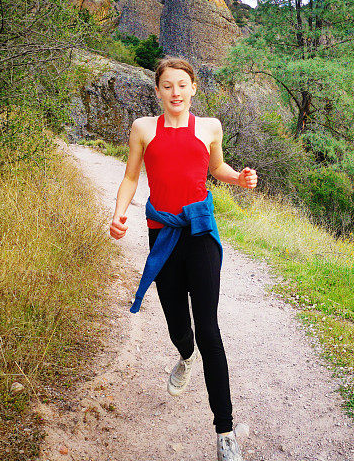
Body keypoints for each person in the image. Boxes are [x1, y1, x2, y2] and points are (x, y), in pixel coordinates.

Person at [109, 56, 257, 461]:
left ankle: (225, 433)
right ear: (157, 91)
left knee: (209, 328)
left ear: (193, 88)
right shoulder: (143, 129)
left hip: (200, 231)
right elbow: (130, 176)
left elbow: (217, 167)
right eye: (167, 86)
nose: (175, 92)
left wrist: (238, 178)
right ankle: (184, 355)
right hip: (164, 236)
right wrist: (119, 213)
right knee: (179, 326)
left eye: (182, 85)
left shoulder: (209, 127)